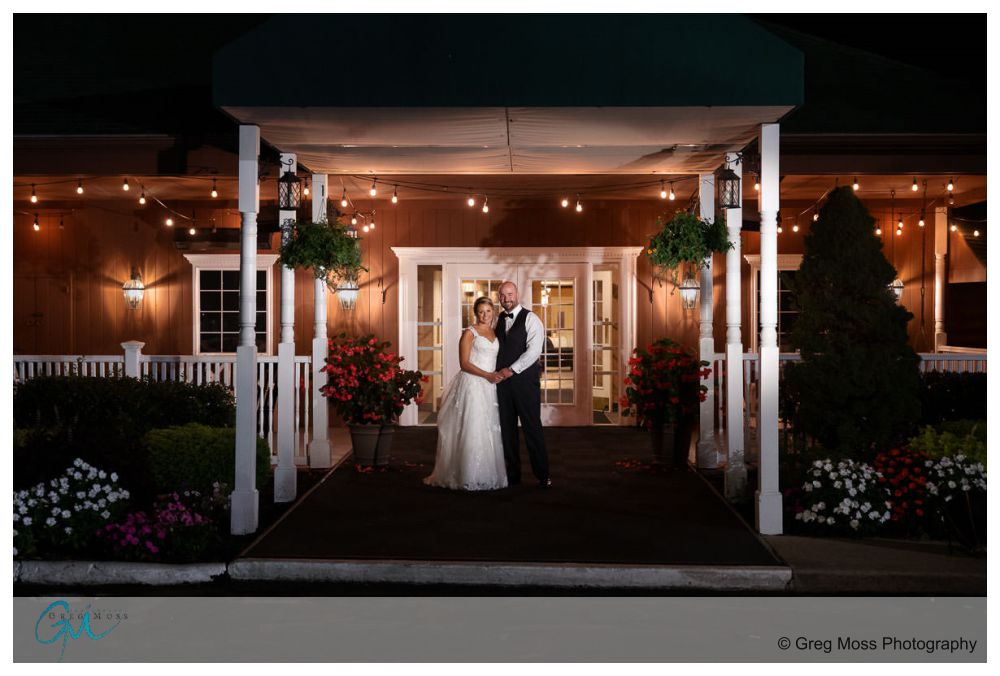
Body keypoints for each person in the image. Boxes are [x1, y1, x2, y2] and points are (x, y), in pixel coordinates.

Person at [423, 296, 508, 491]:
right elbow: (464, 364)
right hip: (473, 383)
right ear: (475, 313)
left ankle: (486, 473)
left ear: (493, 312)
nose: (484, 315)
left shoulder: (495, 332)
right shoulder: (469, 333)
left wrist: (494, 377)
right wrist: (487, 375)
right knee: (473, 427)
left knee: (488, 428)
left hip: (490, 386)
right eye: (481, 312)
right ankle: (467, 474)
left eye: (488, 311)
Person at [494, 281, 551, 488]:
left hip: (525, 384)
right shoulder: (498, 320)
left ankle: (543, 475)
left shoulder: (531, 318)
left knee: (532, 428)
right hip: (503, 386)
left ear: (516, 294)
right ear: (499, 297)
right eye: (502, 295)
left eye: (509, 294)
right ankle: (512, 476)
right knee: (507, 431)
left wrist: (511, 370)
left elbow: (534, 351)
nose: (506, 298)